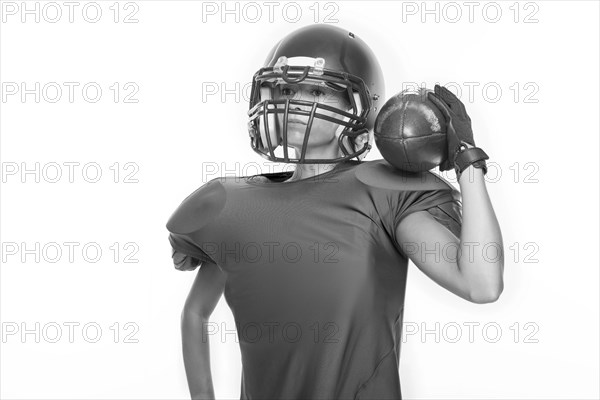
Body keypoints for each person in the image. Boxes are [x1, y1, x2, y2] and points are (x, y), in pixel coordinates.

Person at [166, 24, 504, 400]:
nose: (295, 102)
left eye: (316, 90)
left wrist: (467, 162)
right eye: (285, 89)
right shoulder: (229, 203)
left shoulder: (383, 192)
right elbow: (195, 313)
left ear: (359, 109)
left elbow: (481, 284)